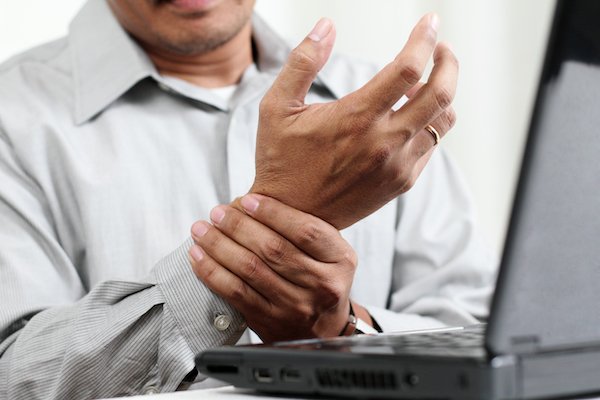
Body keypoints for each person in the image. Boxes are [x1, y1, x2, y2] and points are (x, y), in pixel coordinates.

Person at [0, 0, 496, 398]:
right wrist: (287, 217)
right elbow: (13, 373)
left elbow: (482, 330)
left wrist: (345, 333)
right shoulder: (11, 116)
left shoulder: (384, 114)